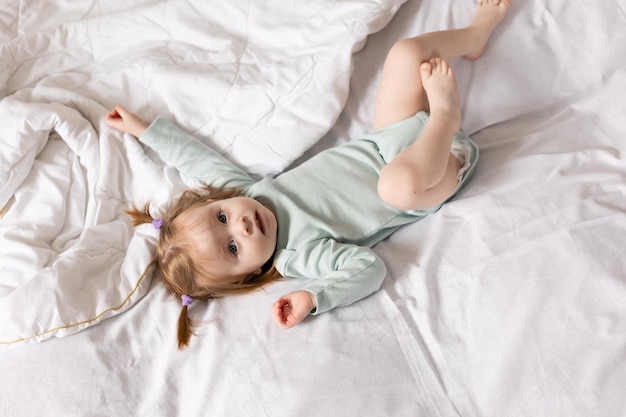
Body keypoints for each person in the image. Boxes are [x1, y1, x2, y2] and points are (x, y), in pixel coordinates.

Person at [105, 0, 511, 348]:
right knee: (395, 186)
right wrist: (315, 297)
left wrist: (145, 130)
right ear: (251, 274)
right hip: (435, 172)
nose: (241, 226)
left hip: (391, 136)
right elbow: (368, 269)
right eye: (233, 249)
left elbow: (199, 162)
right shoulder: (298, 254)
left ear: (218, 201)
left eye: (222, 217)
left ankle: (474, 35)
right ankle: (447, 115)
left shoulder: (253, 192)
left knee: (405, 54)